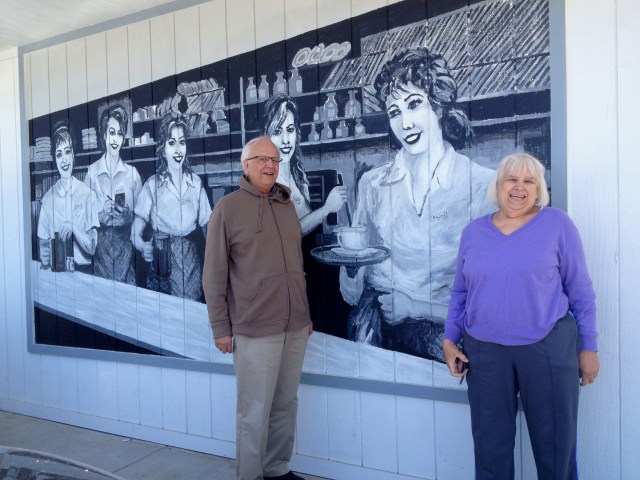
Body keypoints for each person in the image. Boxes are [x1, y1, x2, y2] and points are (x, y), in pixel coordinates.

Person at [443, 152, 600, 479]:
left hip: (548, 348)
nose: (519, 187)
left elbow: (581, 291)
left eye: (529, 180)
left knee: (556, 449)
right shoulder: (473, 233)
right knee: (490, 449)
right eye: (511, 179)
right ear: (498, 186)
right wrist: (449, 339)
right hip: (484, 354)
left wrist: (589, 348)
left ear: (539, 187)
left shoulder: (557, 224)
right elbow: (460, 293)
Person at [338, 47, 494, 362]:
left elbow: (490, 302)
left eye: (414, 105)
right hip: (374, 333)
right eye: (394, 112)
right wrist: (351, 268)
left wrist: (414, 308)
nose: (405, 123)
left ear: (438, 104)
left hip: (446, 338)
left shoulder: (481, 185)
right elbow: (350, 295)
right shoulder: (373, 185)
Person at [202, 136, 312, 480]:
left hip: (294, 326)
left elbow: (295, 263)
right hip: (254, 329)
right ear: (245, 164)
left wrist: (304, 314)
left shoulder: (286, 205)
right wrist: (220, 328)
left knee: (284, 404)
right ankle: (250, 475)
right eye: (262, 159)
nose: (270, 166)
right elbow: (213, 274)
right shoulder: (228, 209)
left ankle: (277, 469)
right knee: (254, 411)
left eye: (275, 160)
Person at [132, 113, 211, 300]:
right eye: (171, 142)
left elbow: (210, 228)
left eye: (182, 142)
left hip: (191, 263)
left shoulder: (196, 184)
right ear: (162, 148)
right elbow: (134, 233)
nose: (178, 150)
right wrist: (143, 247)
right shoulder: (152, 185)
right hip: (163, 261)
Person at [263, 94, 347, 235]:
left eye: (290, 130)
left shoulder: (297, 173)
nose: (285, 140)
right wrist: (327, 208)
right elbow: (288, 233)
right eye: (277, 131)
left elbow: (305, 225)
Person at [84, 104, 142, 284]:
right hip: (101, 251)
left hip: (126, 249)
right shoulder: (92, 173)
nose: (115, 139)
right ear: (104, 136)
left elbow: (143, 220)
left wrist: (128, 215)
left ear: (123, 138)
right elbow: (85, 219)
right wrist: (101, 215)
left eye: (119, 133)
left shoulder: (133, 174)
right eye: (111, 132)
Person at [38, 121, 99, 272]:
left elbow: (92, 247)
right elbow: (43, 245)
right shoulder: (47, 200)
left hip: (83, 273)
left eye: (67, 151)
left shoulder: (88, 195)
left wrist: (73, 228)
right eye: (59, 154)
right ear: (55, 159)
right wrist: (44, 256)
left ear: (73, 154)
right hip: (57, 274)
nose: (64, 160)